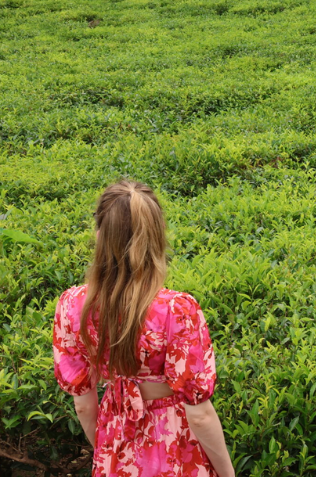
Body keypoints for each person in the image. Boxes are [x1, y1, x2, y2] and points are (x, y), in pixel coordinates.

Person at [53, 179, 236, 477]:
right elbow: (200, 415)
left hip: (116, 444)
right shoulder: (178, 309)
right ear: (158, 236)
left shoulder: (72, 305)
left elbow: (84, 406)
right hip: (176, 447)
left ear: (99, 235)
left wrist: (107, 453)